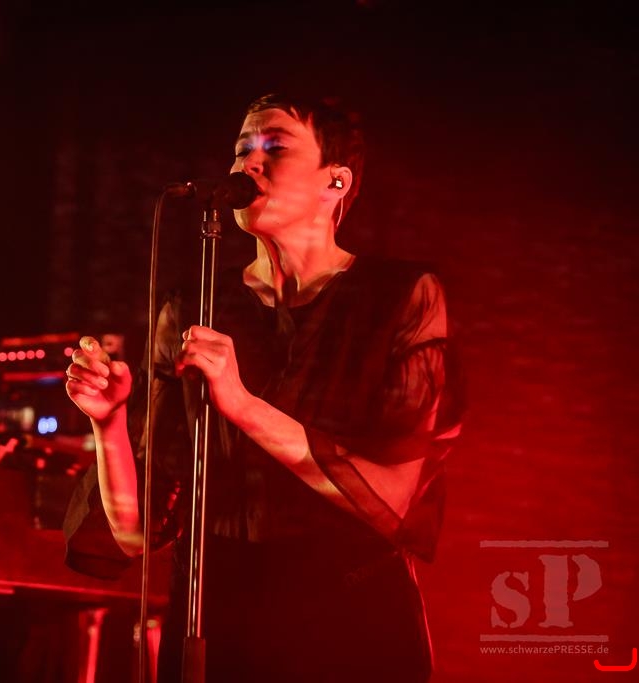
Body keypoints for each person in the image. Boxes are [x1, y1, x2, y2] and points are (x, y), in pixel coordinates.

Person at [63, 93, 465, 682]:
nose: (249, 163)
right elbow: (133, 534)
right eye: (241, 149)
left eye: (275, 148)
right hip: (217, 609)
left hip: (347, 616)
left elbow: (392, 501)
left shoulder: (401, 296)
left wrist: (245, 406)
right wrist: (108, 423)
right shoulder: (195, 305)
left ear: (336, 181)